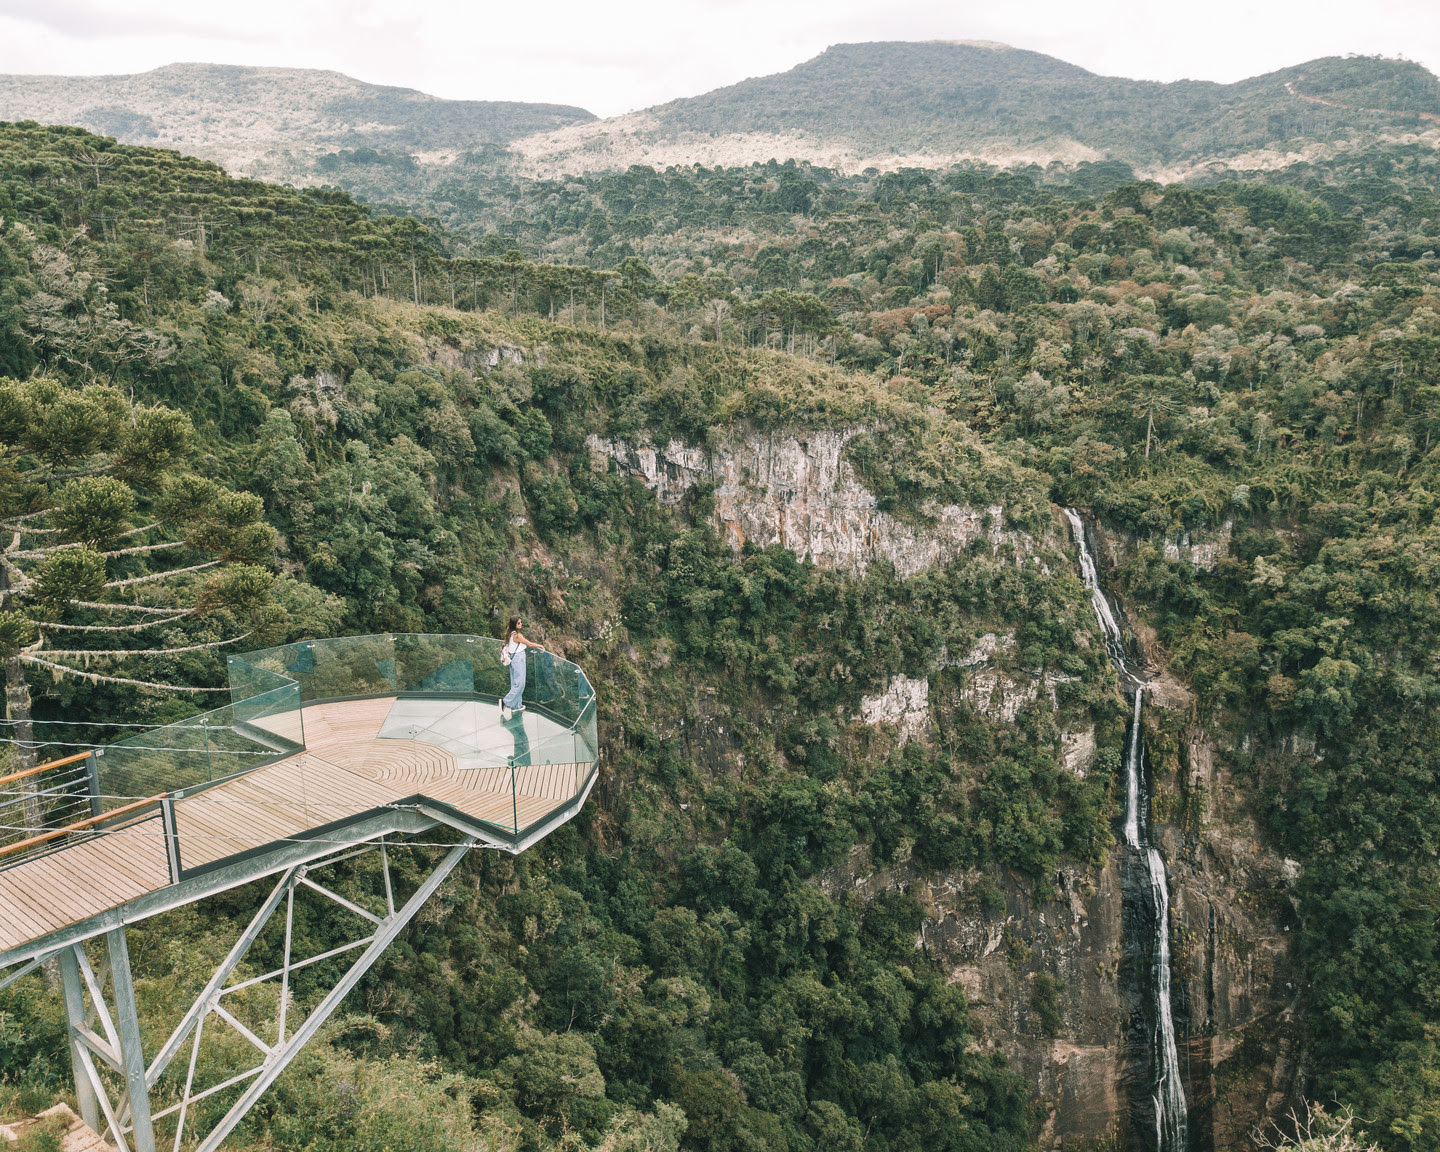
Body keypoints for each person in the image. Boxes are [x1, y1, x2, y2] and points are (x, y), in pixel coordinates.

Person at [500, 615, 546, 719]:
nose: (521, 624)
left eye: (521, 622)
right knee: (520, 684)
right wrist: (540, 646)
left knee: (515, 682)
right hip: (518, 658)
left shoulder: (510, 632)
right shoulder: (517, 635)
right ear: (514, 625)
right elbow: (529, 644)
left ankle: (517, 706)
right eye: (519, 623)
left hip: (513, 658)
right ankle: (505, 701)